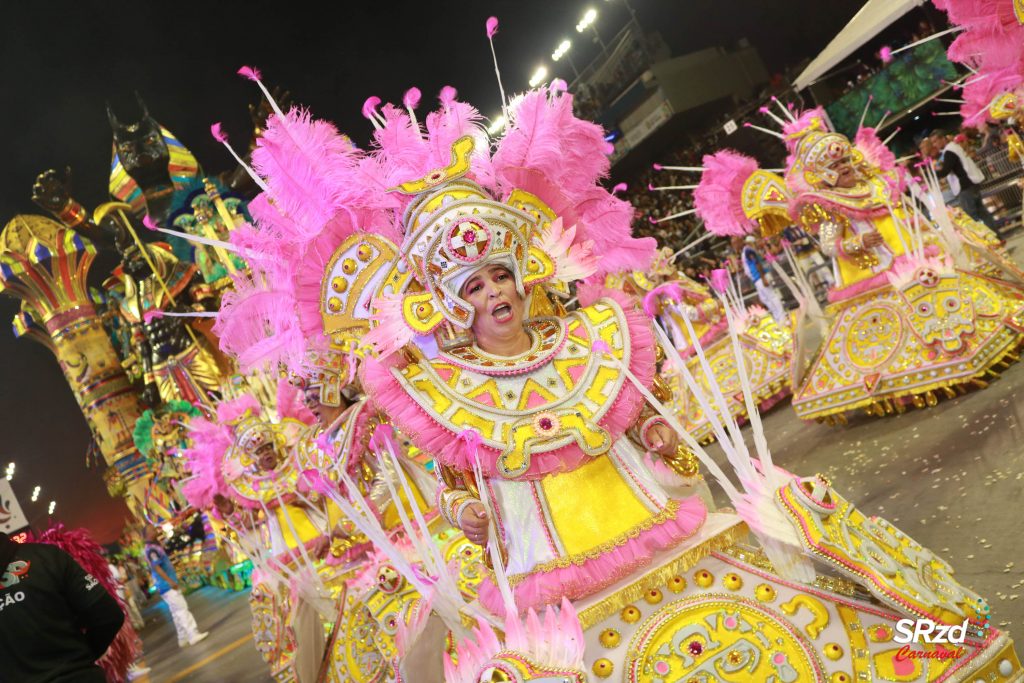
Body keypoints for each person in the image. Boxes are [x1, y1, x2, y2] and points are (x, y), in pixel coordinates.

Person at [0, 530, 125, 682]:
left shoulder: (47, 557)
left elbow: (108, 614)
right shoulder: (47, 557)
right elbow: (108, 614)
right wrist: (78, 659)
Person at [142, 526, 208, 647]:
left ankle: (182, 638)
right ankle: (193, 634)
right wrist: (170, 581)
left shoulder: (153, 546)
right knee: (182, 609)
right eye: (152, 530)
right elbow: (156, 567)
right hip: (166, 585)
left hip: (165, 585)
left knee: (176, 612)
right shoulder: (151, 549)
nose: (155, 531)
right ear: (147, 534)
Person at [927, 129, 999, 231]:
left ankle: (985, 241)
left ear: (942, 138)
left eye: (935, 141)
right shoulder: (954, 147)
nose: (934, 144)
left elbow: (945, 171)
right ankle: (996, 238)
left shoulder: (949, 151)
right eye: (933, 142)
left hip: (965, 186)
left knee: (971, 217)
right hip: (971, 183)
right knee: (983, 213)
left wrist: (932, 173)